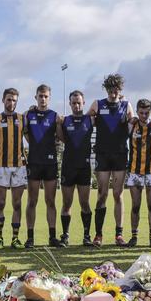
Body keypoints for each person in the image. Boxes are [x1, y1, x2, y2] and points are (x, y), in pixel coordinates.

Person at [87, 73, 135, 247]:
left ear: (120, 90)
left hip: (121, 154)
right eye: (110, 90)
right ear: (106, 90)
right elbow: (86, 120)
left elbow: (133, 123)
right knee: (102, 194)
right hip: (102, 154)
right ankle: (98, 235)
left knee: (118, 194)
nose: (113, 93)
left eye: (116, 90)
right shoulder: (97, 104)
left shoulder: (126, 105)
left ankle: (119, 235)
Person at [23, 84, 62, 248]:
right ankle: (30, 238)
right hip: (34, 162)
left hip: (50, 162)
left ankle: (52, 237)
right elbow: (25, 133)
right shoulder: (28, 114)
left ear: (49, 98)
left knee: (50, 201)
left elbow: (60, 137)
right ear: (36, 97)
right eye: (40, 96)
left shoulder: (55, 116)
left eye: (46, 96)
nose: (43, 99)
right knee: (32, 200)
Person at [0, 88, 26, 250]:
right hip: (1, 166)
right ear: (3, 100)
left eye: (14, 100)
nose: (12, 103)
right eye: (9, 99)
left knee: (17, 204)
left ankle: (15, 238)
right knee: (1, 202)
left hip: (19, 166)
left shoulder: (22, 118)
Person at [56, 90, 93, 246]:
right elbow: (61, 138)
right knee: (67, 203)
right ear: (69, 104)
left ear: (83, 103)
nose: (76, 105)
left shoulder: (91, 119)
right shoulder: (64, 121)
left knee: (85, 203)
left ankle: (86, 236)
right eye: (73, 103)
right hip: (68, 167)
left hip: (84, 167)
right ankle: (65, 236)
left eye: (79, 102)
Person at [126, 99, 151, 247]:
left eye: (146, 113)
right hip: (134, 171)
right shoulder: (131, 126)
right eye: (141, 112)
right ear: (137, 111)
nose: (143, 115)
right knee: (135, 206)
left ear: (150, 111)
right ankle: (134, 237)